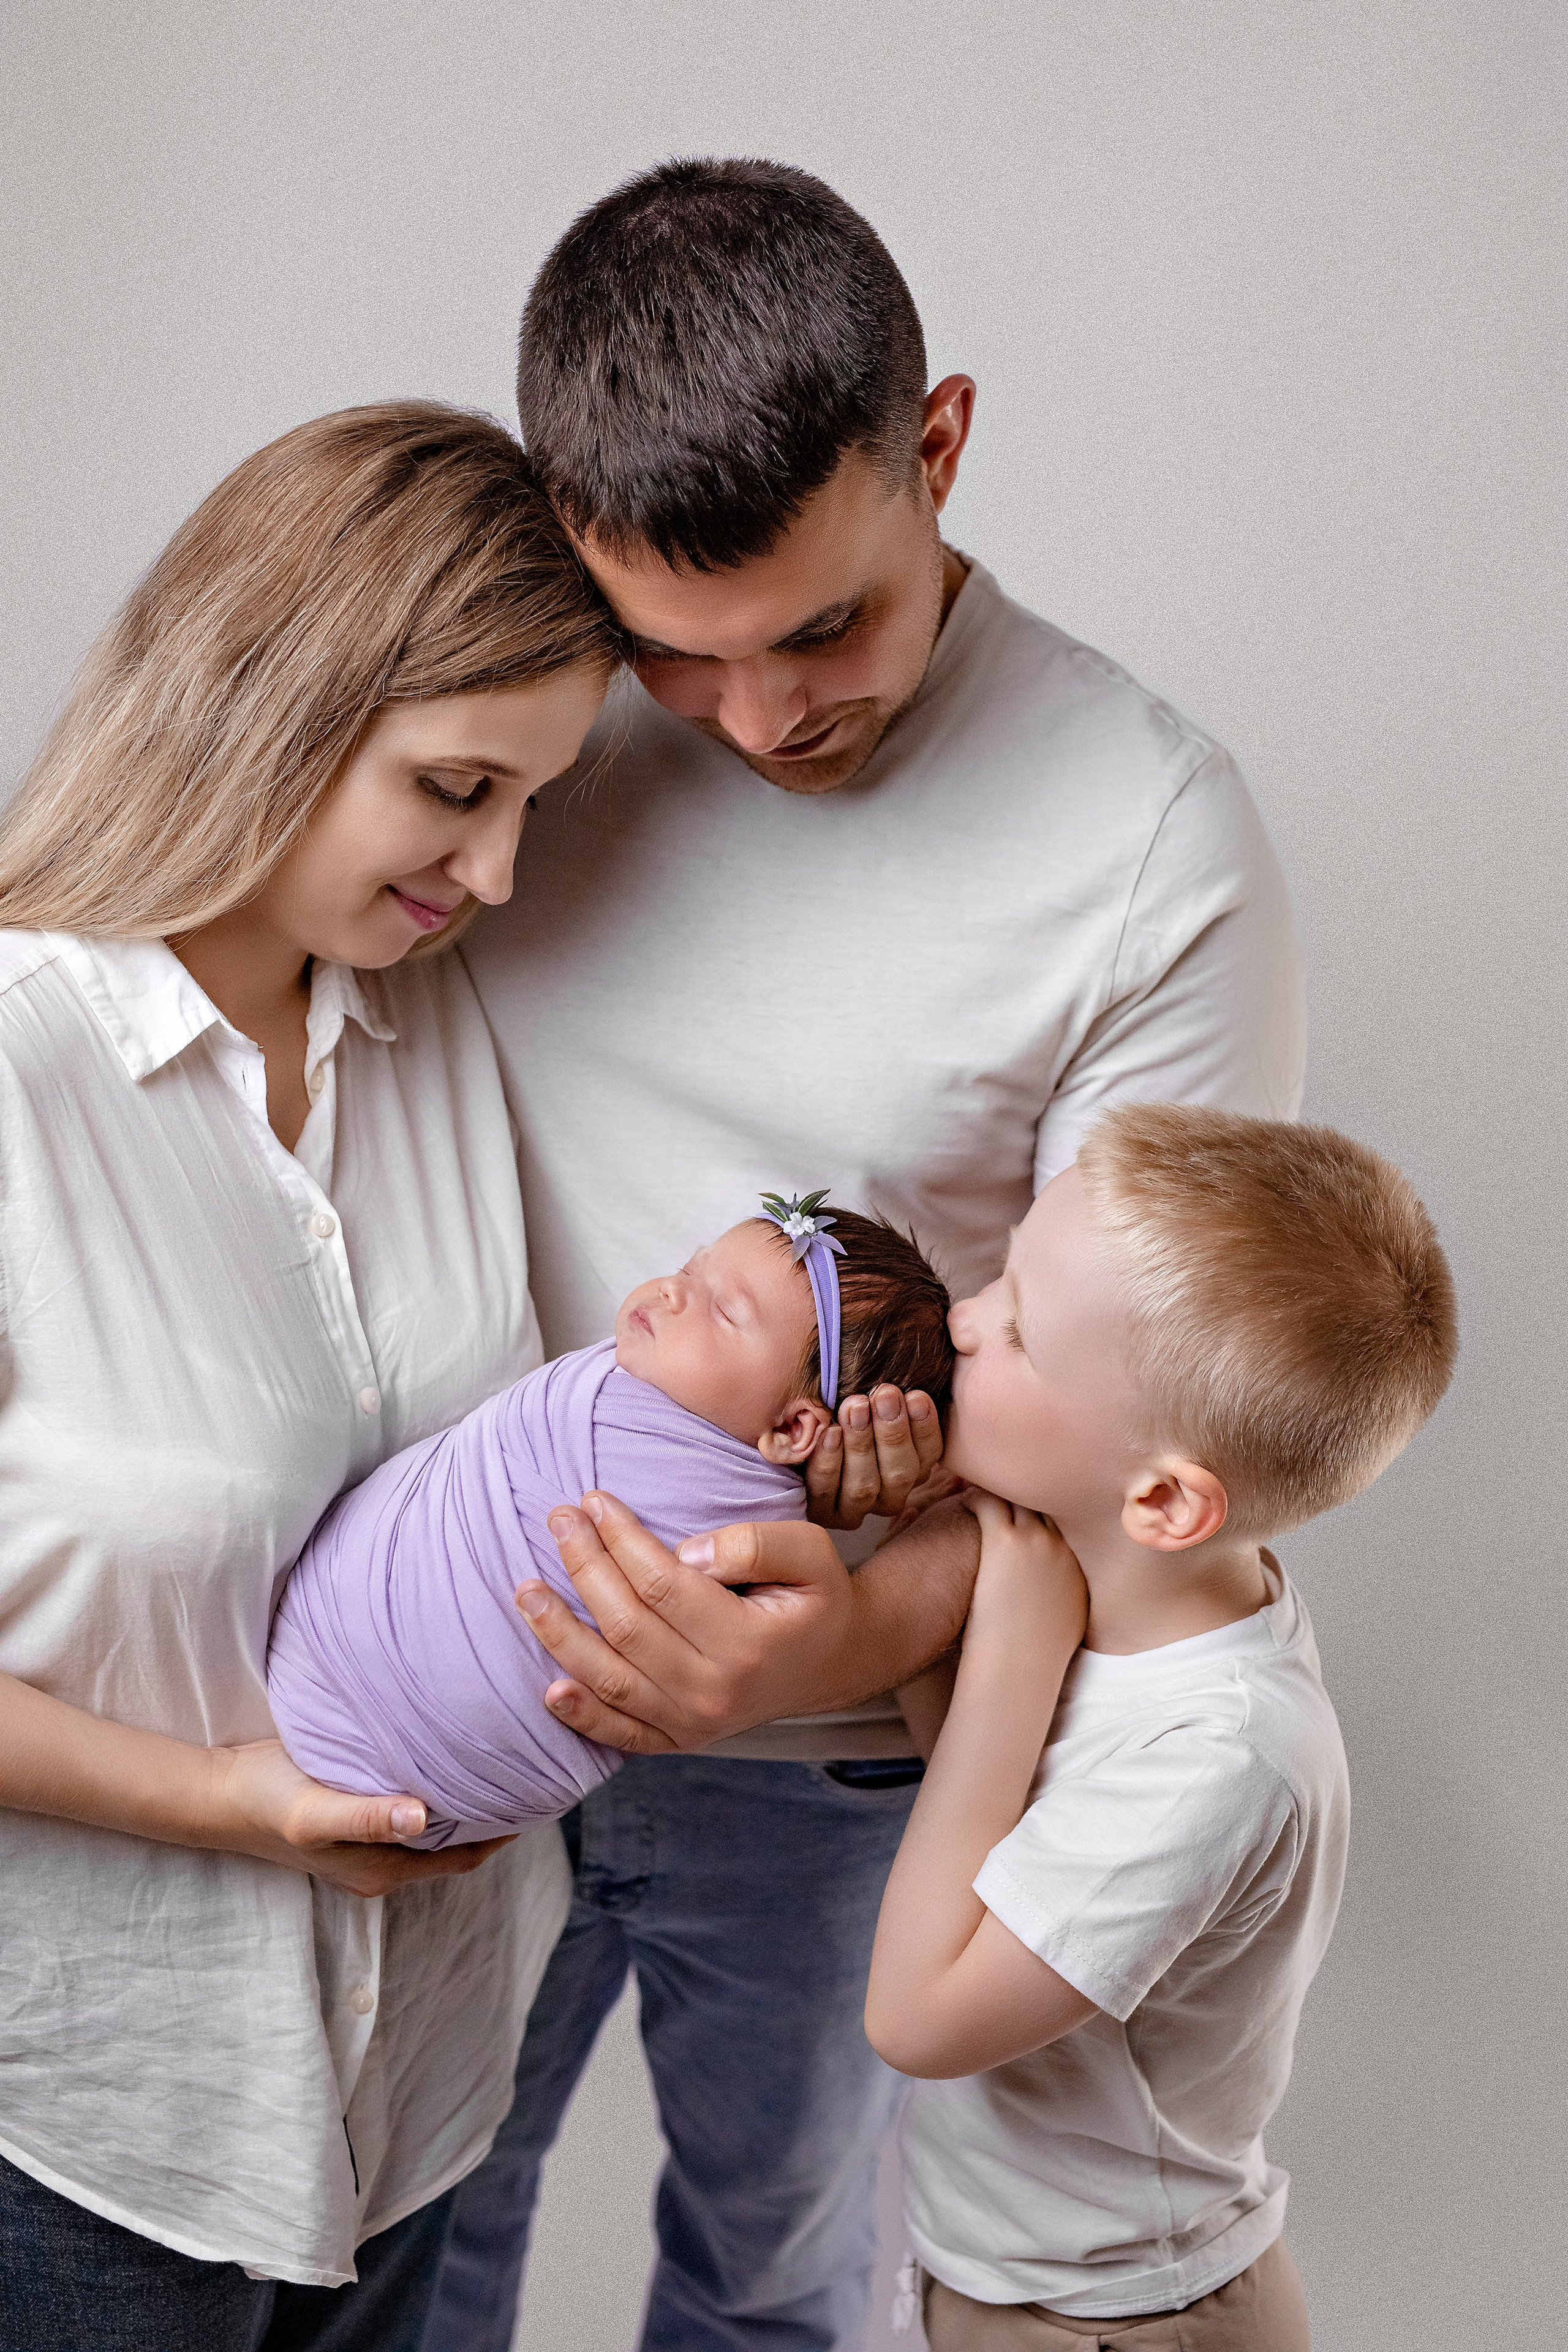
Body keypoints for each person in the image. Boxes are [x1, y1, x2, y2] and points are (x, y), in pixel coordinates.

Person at [431, 158, 1308, 2352]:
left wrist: (819, 1637)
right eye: (671, 650)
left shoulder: (1149, 850)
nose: (752, 722)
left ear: (934, 450)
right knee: (383, 2276)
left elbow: (1134, 1463)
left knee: (779, 2299)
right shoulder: (483, 749)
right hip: (434, 1681)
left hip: (847, 1779)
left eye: (821, 628)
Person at [0, 401, 618, 2351]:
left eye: (534, 801)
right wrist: (226, 1800)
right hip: (92, 2129)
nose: (501, 873)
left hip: (420, 2094)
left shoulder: (438, 1046)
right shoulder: (17, 1077)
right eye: (455, 788)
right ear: (267, 699)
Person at [864, 1105, 1457, 2348]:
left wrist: (1011, 1657)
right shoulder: (1128, 1603)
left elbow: (916, 2019)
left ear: (1163, 1497)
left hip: (1111, 2323)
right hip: (1014, 2284)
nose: (963, 1320)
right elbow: (991, 1835)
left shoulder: (1215, 1760)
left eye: (1015, 1332)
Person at [268, 1202, 954, 1847]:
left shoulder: (739, 1522)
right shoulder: (615, 1393)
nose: (668, 1291)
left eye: (721, 1310)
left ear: (793, 1427)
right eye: (690, 1269)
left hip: (445, 1760)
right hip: (384, 1739)